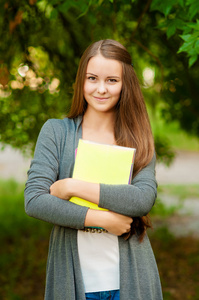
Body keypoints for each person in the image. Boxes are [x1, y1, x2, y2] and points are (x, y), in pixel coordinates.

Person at [24, 39, 163, 300]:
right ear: (81, 81)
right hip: (74, 282)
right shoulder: (56, 132)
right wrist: (104, 220)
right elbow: (35, 201)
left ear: (125, 85)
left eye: (112, 80)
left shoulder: (138, 138)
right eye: (92, 78)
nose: (101, 89)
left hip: (131, 280)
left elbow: (142, 199)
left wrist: (71, 186)